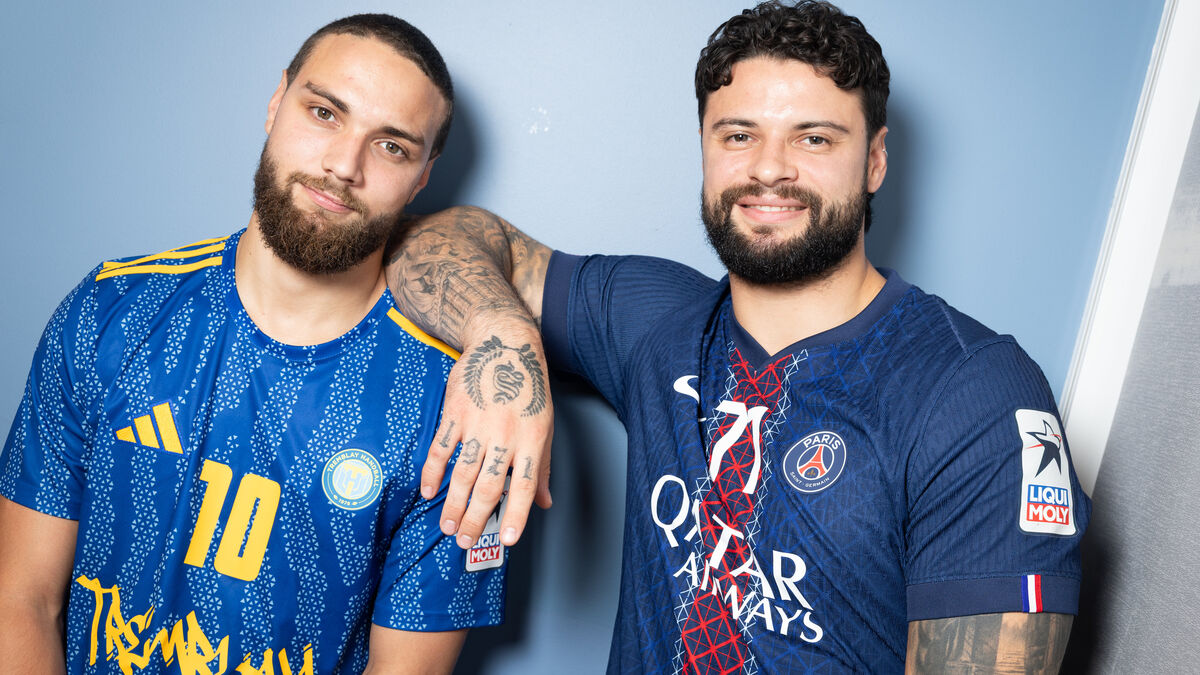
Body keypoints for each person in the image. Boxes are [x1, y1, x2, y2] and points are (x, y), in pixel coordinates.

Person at [387, 1, 1089, 671]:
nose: (768, 168)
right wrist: (503, 333)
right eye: (739, 135)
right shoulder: (656, 323)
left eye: (814, 138)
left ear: (875, 160)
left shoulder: (974, 393)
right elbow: (435, 239)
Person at [0, 14, 507, 674]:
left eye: (391, 147)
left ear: (423, 177)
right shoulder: (113, 311)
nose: (342, 166)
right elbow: (21, 599)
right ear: (276, 103)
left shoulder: (453, 410)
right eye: (324, 113)